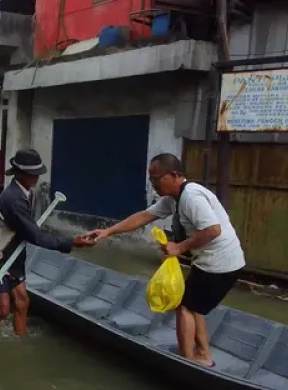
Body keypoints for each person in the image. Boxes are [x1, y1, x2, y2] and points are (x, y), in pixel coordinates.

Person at [86, 153, 245, 367]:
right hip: (209, 260)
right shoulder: (173, 199)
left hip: (221, 262)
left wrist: (179, 247)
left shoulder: (191, 197)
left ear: (174, 175)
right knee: (193, 306)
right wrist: (108, 232)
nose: (153, 185)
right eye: (150, 180)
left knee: (185, 307)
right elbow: (144, 216)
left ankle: (188, 361)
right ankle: (203, 355)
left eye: (156, 179)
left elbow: (212, 230)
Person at [0, 149, 96, 337]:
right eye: (32, 174)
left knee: (22, 303)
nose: (36, 178)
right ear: (20, 174)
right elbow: (35, 236)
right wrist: (72, 242)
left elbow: (29, 230)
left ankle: (20, 344)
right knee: (3, 310)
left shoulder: (28, 194)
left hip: (14, 257)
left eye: (37, 173)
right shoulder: (12, 199)